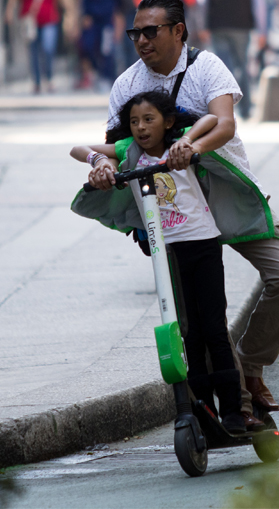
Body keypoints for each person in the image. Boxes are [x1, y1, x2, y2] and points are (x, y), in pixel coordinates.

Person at [101, 0, 279, 430]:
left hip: (228, 194)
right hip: (176, 210)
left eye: (150, 31)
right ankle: (234, 409)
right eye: (135, 32)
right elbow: (114, 148)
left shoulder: (207, 66)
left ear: (178, 31)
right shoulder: (125, 85)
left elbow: (225, 122)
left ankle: (251, 363)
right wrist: (100, 167)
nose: (141, 40)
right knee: (199, 318)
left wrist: (190, 146)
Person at [71, 91, 246, 433]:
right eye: (134, 122)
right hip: (168, 252)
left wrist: (190, 143)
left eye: (149, 120)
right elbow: (77, 148)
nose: (140, 127)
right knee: (188, 334)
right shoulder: (129, 152)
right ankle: (204, 413)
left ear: (167, 123)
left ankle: (235, 412)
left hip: (204, 245)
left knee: (214, 328)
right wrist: (100, 162)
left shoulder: (179, 143)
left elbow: (210, 120)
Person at [196, 0, 267, 120]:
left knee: (220, 66)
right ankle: (245, 108)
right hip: (242, 25)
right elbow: (257, 0)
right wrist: (262, 29)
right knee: (241, 64)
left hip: (217, 24)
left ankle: (223, 109)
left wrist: (203, 25)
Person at [5, 0, 63, 93]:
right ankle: (37, 82)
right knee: (34, 52)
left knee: (48, 48)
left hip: (49, 20)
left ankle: (49, 77)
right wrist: (9, 10)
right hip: (30, 23)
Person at [76, 0, 123, 89]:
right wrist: (84, 16)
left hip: (107, 20)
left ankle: (107, 77)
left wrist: (118, 21)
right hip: (91, 20)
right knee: (87, 46)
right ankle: (95, 72)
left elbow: (118, 1)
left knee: (107, 50)